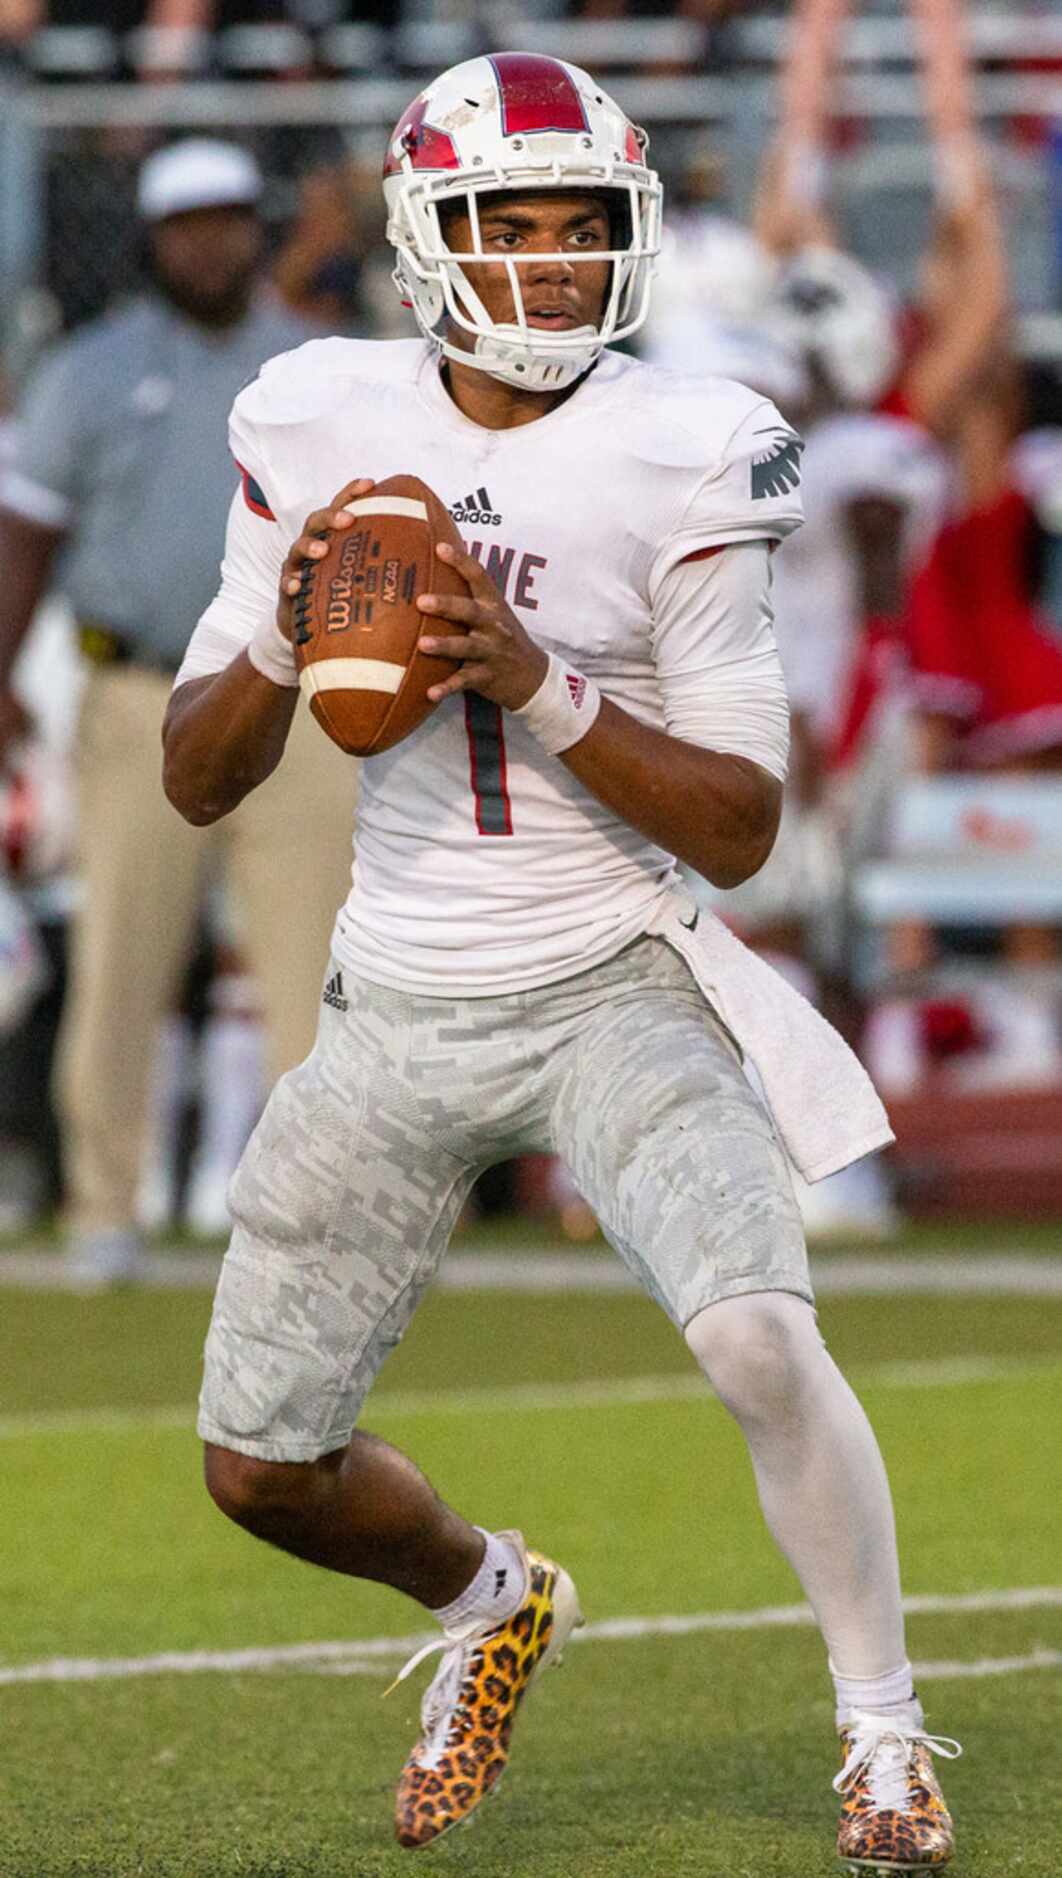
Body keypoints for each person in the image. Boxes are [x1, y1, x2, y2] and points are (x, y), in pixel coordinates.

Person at [162, 53, 960, 1867]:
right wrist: (290, 639)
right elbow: (195, 775)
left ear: (634, 238)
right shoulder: (311, 418)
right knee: (256, 1470)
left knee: (761, 1333)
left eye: (577, 229)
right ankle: (490, 1594)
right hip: (393, 999)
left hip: (612, 970)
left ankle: (884, 1732)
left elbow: (742, 822)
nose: (544, 266)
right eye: (504, 229)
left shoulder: (689, 438)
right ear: (424, 238)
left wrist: (536, 675)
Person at [0, 138, 358, 1282]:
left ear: (258, 227)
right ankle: (105, 1206)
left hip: (299, 699)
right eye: (189, 222)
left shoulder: (317, 366)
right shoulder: (91, 372)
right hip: (140, 692)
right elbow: (27, 539)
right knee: (121, 963)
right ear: (153, 239)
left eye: (231, 218)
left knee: (319, 969)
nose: (212, 240)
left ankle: (326, 1222)